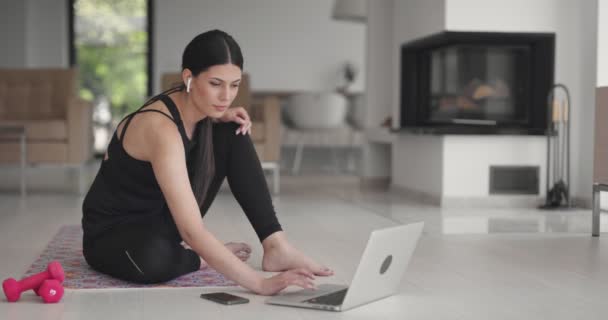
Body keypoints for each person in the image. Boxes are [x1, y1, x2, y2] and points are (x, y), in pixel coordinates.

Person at [81, 29, 333, 295]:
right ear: (189, 78)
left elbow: (188, 223)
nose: (226, 96)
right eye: (215, 84)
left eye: (234, 85)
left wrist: (217, 117)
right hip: (116, 235)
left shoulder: (202, 113)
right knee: (152, 259)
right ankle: (198, 259)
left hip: (164, 222)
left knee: (233, 131)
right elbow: (192, 231)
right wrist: (259, 283)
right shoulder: (159, 128)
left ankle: (276, 245)